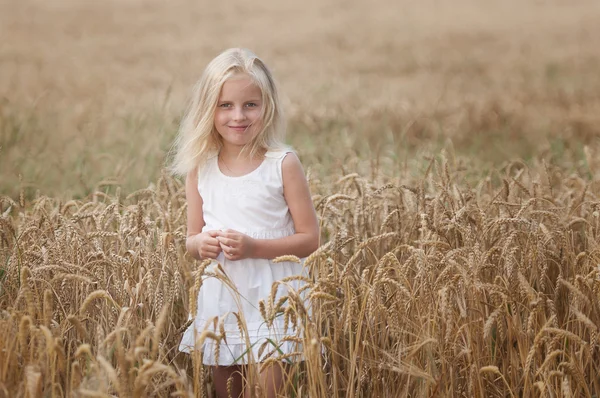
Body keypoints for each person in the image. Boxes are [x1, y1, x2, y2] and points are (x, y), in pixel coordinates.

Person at [171, 48, 319, 398]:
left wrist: (255, 247)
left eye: (250, 105)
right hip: (223, 297)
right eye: (226, 105)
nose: (238, 116)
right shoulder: (200, 168)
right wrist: (200, 245)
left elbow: (310, 238)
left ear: (267, 107)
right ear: (209, 109)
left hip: (276, 296)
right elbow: (191, 238)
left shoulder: (282, 163)